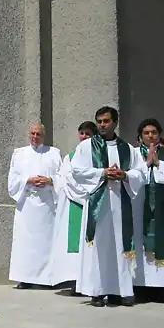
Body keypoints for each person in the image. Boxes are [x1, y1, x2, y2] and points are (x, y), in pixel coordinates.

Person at [70, 106, 145, 307]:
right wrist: (103, 173)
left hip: (120, 204)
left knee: (119, 246)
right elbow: (76, 170)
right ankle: (96, 292)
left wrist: (125, 175)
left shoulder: (127, 148)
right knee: (99, 247)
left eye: (106, 121)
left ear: (115, 122)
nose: (102, 125)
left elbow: (141, 173)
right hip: (99, 204)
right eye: (99, 121)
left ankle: (117, 291)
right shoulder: (86, 147)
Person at [7, 123, 62, 289]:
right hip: (27, 205)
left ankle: (47, 279)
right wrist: (28, 180)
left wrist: (50, 180)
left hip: (46, 205)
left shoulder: (53, 153)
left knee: (46, 243)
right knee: (25, 243)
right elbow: (13, 179)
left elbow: (61, 176)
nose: (35, 137)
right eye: (32, 133)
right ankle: (25, 278)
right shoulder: (19, 154)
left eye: (38, 134)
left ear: (43, 136)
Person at [48, 121, 97, 292]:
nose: (84, 136)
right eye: (81, 133)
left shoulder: (97, 155)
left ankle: (90, 282)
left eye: (88, 134)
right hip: (73, 204)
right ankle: (74, 281)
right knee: (73, 244)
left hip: (92, 203)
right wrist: (82, 193)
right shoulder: (69, 157)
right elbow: (65, 179)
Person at [132, 119, 164, 302]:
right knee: (138, 241)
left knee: (162, 240)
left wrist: (158, 163)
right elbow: (130, 175)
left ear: (159, 134)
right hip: (138, 207)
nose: (150, 136)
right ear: (140, 136)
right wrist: (145, 165)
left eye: (154, 132)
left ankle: (160, 288)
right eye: (146, 133)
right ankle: (139, 285)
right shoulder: (133, 154)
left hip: (162, 207)